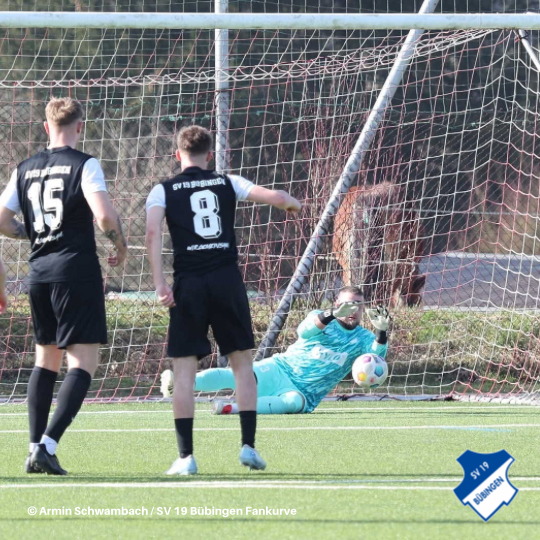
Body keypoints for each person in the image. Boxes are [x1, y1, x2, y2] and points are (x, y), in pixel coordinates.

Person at [146, 125, 301, 475]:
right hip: (227, 282)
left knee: (184, 373)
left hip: (188, 285)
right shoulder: (228, 182)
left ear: (177, 155)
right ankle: (248, 447)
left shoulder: (162, 189)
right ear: (209, 155)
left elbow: (153, 233)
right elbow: (277, 197)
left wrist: (159, 284)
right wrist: (292, 203)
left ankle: (186, 457)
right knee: (242, 366)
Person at [0, 97, 128, 475]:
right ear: (80, 126)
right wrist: (119, 244)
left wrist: (32, 234)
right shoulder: (85, 164)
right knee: (83, 362)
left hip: (39, 273)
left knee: (46, 360)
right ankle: (48, 446)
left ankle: (33, 448)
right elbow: (104, 215)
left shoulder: (23, 168)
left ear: (46, 127)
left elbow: (2, 220)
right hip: (75, 271)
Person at [161, 286, 390, 414]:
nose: (353, 310)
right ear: (337, 304)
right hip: (281, 369)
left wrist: (381, 331)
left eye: (358, 306)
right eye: (348, 305)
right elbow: (304, 331)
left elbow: (376, 360)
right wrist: (331, 314)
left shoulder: (363, 338)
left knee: (292, 403)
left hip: (304, 394)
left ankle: (231, 408)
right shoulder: (320, 318)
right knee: (238, 376)